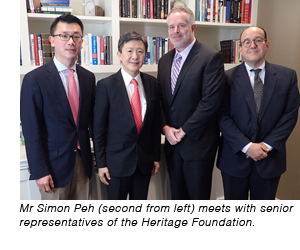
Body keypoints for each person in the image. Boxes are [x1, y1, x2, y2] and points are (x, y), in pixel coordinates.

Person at [217, 27, 300, 200]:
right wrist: (247, 146)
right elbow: (221, 115)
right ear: (240, 49)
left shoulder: (288, 76)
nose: (252, 45)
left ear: (267, 44)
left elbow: (290, 114)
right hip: (234, 159)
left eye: (258, 40)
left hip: (269, 159)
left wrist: (266, 146)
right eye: (246, 42)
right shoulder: (225, 79)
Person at [20, 14, 95, 200]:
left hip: (83, 163)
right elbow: (31, 131)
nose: (71, 41)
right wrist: (39, 171)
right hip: (52, 169)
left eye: (76, 36)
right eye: (64, 36)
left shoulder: (88, 78)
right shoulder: (34, 80)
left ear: (81, 42)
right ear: (52, 40)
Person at [157, 6, 225, 200]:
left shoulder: (210, 57)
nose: (175, 31)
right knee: (177, 196)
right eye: (171, 27)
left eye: (181, 25)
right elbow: (160, 99)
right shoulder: (164, 61)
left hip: (198, 143)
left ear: (193, 27)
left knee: (197, 197)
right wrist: (165, 128)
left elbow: (210, 102)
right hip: (172, 142)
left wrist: (183, 130)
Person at [93, 31, 161, 200]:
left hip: (144, 162)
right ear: (119, 55)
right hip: (116, 165)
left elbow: (154, 124)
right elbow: (99, 129)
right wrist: (101, 164)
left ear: (145, 55)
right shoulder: (105, 86)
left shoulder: (153, 83)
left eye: (140, 51)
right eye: (129, 51)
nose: (134, 56)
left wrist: (156, 157)